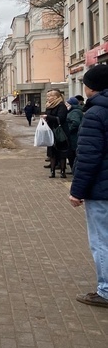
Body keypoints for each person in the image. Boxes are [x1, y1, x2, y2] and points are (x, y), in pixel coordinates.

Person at [69, 64, 108, 307]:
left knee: (102, 239)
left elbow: (88, 157)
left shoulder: (95, 114)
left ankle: (105, 291)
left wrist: (77, 191)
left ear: (91, 87)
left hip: (101, 190)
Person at [42, 89, 68, 178]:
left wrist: (48, 117)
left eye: (50, 96)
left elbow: (61, 118)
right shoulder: (49, 106)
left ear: (56, 97)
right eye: (47, 96)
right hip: (51, 131)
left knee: (61, 153)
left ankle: (62, 171)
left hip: (59, 132)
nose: (48, 98)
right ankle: (52, 172)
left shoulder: (61, 106)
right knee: (52, 153)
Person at [66, 97, 83, 173]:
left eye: (68, 103)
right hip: (74, 136)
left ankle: (75, 170)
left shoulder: (74, 112)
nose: (66, 105)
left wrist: (68, 130)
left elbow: (75, 123)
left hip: (73, 136)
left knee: (72, 154)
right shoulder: (74, 111)